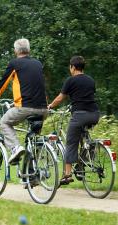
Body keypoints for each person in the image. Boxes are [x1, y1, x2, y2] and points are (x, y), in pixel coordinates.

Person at [0, 38, 48, 165]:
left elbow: (2, 84)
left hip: (25, 107)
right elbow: (36, 85)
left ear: (16, 51)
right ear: (28, 50)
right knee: (33, 139)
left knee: (4, 123)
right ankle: (32, 174)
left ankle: (15, 148)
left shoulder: (15, 64)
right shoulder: (38, 63)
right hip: (43, 108)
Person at [48, 56, 100, 185]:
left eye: (69, 67)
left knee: (71, 143)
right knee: (85, 139)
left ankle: (67, 175)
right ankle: (83, 163)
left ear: (73, 67)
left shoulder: (70, 81)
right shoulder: (91, 80)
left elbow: (61, 98)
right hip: (94, 114)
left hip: (80, 115)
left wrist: (50, 106)